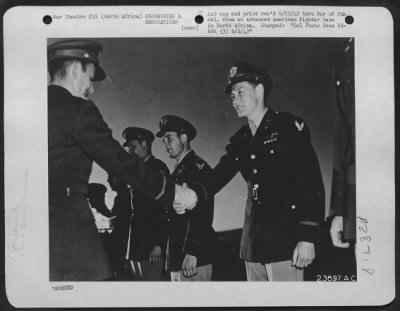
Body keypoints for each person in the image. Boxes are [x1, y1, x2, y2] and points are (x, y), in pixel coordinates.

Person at [47, 39, 195, 281]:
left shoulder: (25, 109)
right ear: (75, 69)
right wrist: (174, 193)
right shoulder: (77, 109)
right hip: (70, 236)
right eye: (89, 78)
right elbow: (117, 161)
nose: (90, 89)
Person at [174, 63, 325, 281]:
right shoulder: (241, 139)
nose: (234, 99)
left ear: (260, 90)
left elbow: (310, 183)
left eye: (240, 92)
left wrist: (307, 237)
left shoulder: (288, 127)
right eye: (232, 95)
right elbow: (219, 174)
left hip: (286, 240)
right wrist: (194, 194)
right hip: (253, 242)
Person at [157, 115, 216, 281]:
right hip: (178, 255)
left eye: (169, 138)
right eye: (163, 140)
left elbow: (204, 213)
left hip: (191, 258)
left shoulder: (197, 168)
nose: (165, 144)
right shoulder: (178, 171)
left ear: (184, 137)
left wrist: (193, 251)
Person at [121, 127, 170, 281]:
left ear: (144, 144)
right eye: (128, 147)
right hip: (136, 244)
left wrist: (159, 244)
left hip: (151, 245)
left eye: (133, 147)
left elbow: (164, 208)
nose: (129, 151)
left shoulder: (157, 168)